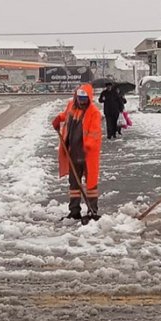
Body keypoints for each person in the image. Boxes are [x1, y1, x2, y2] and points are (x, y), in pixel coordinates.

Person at [52, 84, 102, 222]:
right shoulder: (72, 107)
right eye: (80, 98)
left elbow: (95, 132)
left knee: (91, 184)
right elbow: (66, 115)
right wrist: (58, 118)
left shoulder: (94, 113)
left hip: (87, 155)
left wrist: (89, 144)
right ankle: (74, 211)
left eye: (84, 99)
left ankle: (93, 210)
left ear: (89, 99)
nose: (82, 101)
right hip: (73, 153)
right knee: (74, 184)